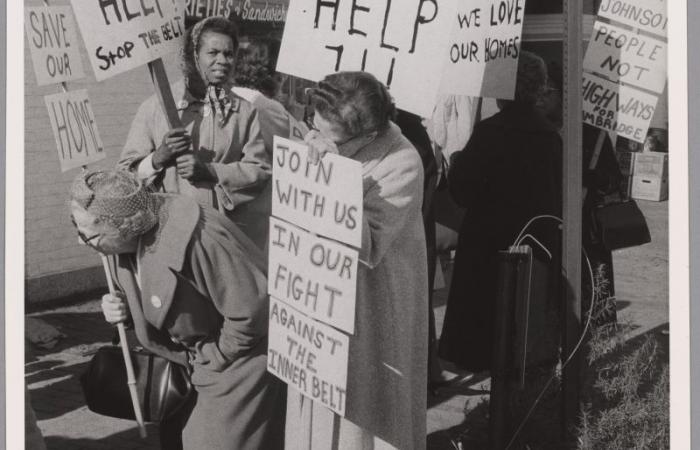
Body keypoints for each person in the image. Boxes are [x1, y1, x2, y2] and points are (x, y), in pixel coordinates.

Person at [69, 170, 285, 450]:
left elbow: (252, 310)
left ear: (121, 226)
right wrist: (125, 310)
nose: (81, 241)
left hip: (239, 362)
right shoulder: (127, 240)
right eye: (76, 228)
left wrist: (216, 355)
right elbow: (156, 294)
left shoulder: (198, 239)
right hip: (196, 362)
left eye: (88, 235)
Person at [286, 71, 428, 450]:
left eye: (327, 135)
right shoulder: (329, 136)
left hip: (374, 304)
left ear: (367, 136)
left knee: (366, 410)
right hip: (321, 299)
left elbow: (367, 246)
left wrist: (333, 178)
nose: (314, 137)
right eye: (313, 124)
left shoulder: (402, 162)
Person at [438, 51, 562, 372]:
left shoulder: (490, 131)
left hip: (487, 242)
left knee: (487, 331)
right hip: (534, 243)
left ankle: (498, 406)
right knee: (521, 325)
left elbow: (462, 189)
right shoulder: (549, 136)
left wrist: (456, 161)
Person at [119, 17, 271, 250]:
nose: (222, 61)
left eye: (229, 54)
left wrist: (210, 171)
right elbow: (124, 177)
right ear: (193, 56)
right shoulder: (156, 109)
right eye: (213, 53)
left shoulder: (244, 112)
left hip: (222, 240)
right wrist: (158, 158)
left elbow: (259, 171)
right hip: (167, 239)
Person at [539, 62, 623, 326]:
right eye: (538, 92)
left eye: (547, 92)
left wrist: (585, 178)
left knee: (592, 305)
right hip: (550, 230)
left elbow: (613, 180)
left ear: (563, 94)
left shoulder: (592, 133)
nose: (540, 99)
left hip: (587, 234)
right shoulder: (537, 130)